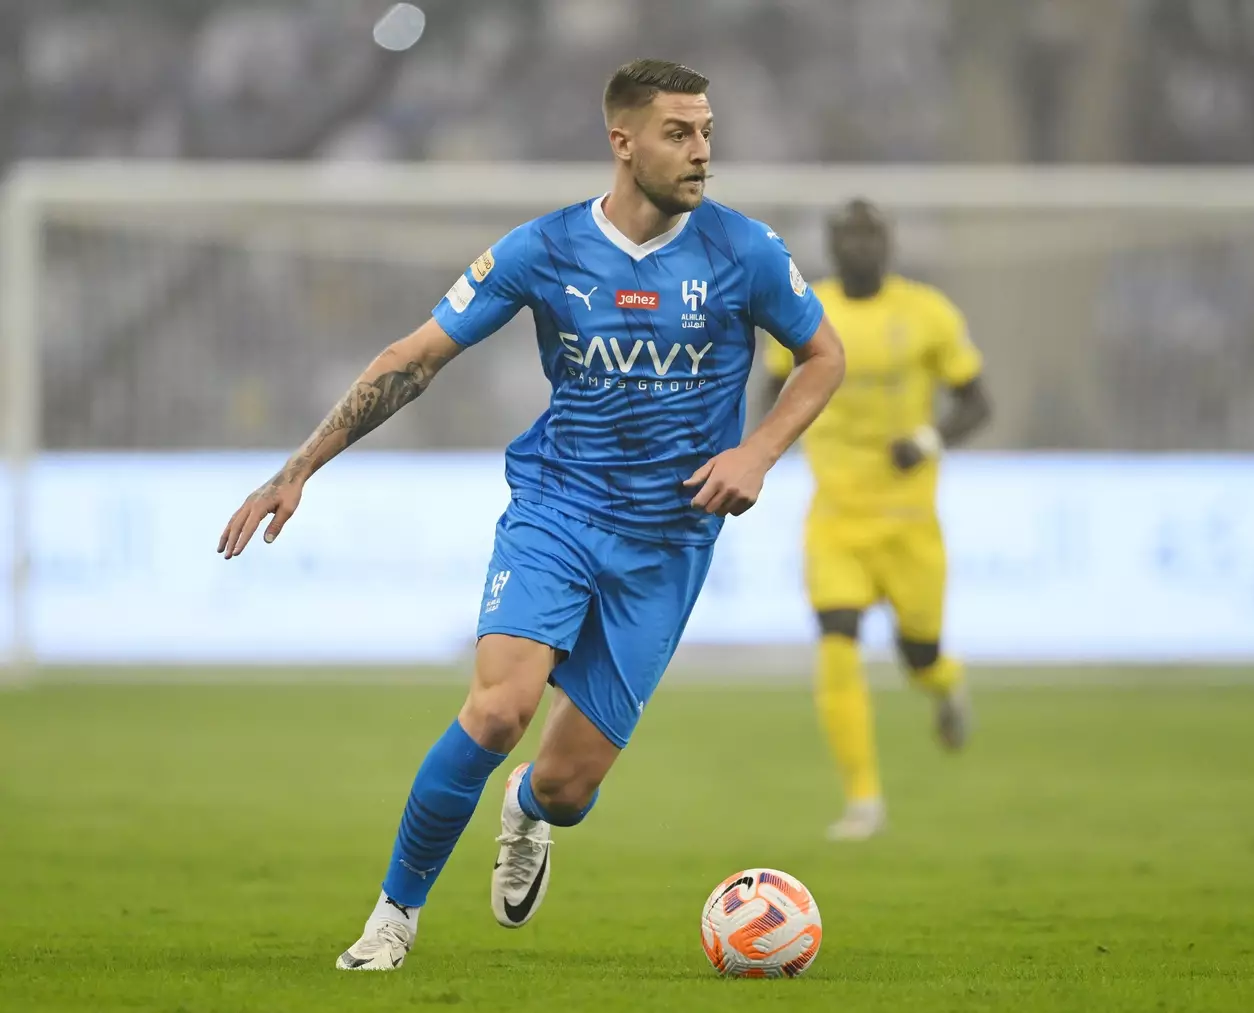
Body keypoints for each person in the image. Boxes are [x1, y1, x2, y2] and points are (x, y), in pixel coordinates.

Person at [217, 58, 845, 970]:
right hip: (557, 510)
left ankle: (528, 814)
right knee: (499, 708)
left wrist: (758, 451)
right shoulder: (544, 249)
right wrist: (299, 466)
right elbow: (417, 354)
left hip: (669, 542)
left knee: (567, 784)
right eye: (680, 133)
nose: (702, 151)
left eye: (707, 131)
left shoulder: (744, 251)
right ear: (621, 141)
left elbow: (823, 356)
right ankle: (393, 915)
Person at [762, 199, 990, 841]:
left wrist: (927, 440)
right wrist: (751, 449)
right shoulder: (806, 310)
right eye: (849, 239)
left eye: (872, 238)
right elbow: (770, 389)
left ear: (889, 245)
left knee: (920, 655)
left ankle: (947, 685)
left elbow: (978, 403)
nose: (861, 249)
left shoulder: (927, 313)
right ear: (833, 249)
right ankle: (863, 800)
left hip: (910, 523)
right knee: (836, 644)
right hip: (835, 519)